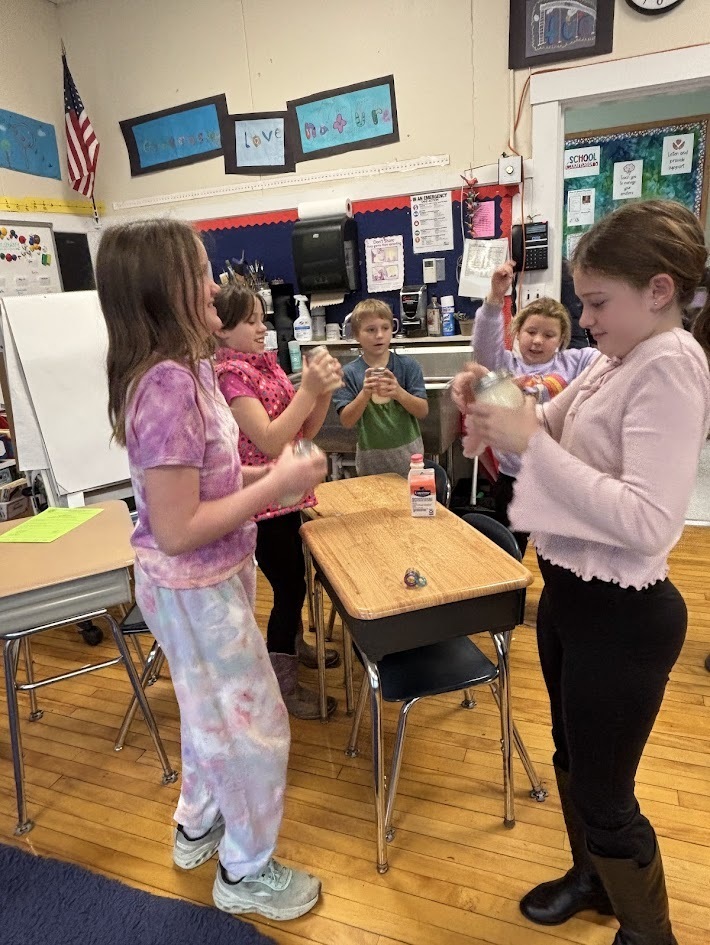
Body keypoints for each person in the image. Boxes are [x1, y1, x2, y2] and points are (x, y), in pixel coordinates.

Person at [454, 199, 710, 945]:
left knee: (607, 791)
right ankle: (594, 878)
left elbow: (648, 520)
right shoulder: (616, 356)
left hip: (624, 615)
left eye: (598, 302)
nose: (586, 318)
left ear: (658, 290)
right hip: (570, 594)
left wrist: (528, 438)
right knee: (573, 756)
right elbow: (553, 429)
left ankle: (648, 933)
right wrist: (495, 397)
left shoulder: (671, 365)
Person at [96, 219, 327, 921]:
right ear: (161, 289)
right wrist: (275, 488)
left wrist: (266, 473)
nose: (216, 285)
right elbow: (176, 525)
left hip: (214, 577)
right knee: (256, 731)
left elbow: (214, 477)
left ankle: (200, 826)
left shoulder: (191, 367)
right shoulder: (164, 387)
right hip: (191, 587)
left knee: (209, 718)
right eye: (199, 271)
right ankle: (245, 871)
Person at [213, 284, 342, 720]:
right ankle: (284, 686)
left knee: (297, 583)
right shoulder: (230, 377)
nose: (261, 328)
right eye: (250, 321)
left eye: (261, 318)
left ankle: (292, 647)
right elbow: (269, 440)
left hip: (287, 497)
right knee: (288, 589)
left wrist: (320, 393)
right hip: (262, 504)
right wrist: (308, 389)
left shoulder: (263, 367)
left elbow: (303, 432)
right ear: (222, 330)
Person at [471, 265, 600, 555]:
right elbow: (482, 347)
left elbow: (611, 359)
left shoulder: (575, 362)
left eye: (549, 335)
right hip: (513, 478)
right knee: (507, 552)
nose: (538, 340)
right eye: (530, 331)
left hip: (558, 479)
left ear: (562, 340)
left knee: (557, 555)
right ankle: (510, 599)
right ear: (517, 333)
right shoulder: (505, 365)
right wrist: (495, 296)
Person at [333, 299, 428, 476]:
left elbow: (422, 411)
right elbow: (347, 421)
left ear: (392, 329)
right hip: (371, 463)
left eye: (385, 328)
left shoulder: (408, 366)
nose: (379, 335)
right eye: (371, 330)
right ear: (356, 334)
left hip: (410, 460)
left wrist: (399, 393)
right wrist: (364, 394)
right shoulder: (349, 373)